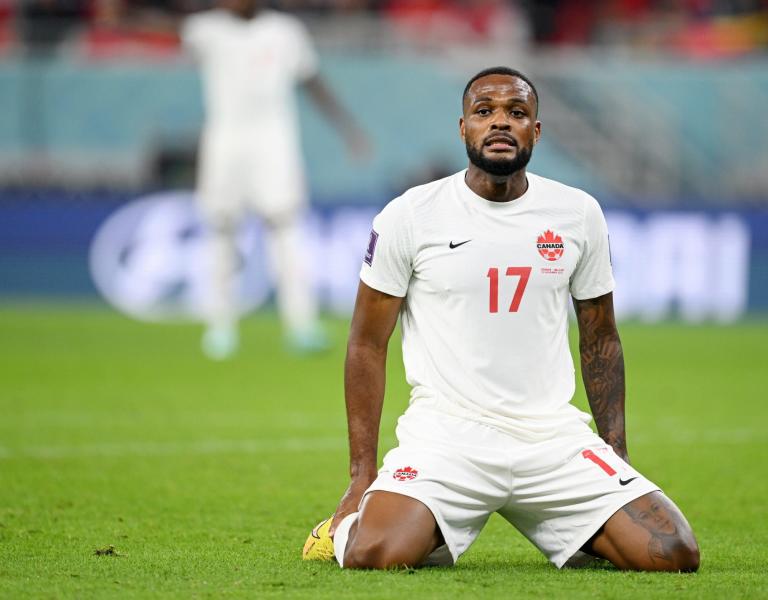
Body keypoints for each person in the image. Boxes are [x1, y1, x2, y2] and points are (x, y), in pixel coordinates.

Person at [303, 67, 700, 571]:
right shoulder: (411, 215)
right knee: (374, 553)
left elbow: (600, 337)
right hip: (446, 440)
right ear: (463, 127)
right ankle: (376, 530)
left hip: (554, 440)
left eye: (517, 113)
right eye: (484, 111)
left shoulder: (578, 214)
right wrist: (360, 478)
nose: (499, 123)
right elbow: (365, 344)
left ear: (536, 131)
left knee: (674, 553)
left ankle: (573, 530)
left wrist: (615, 451)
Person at [181, 0, 369, 359]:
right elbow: (160, 29)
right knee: (221, 230)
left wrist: (347, 128)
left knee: (286, 230)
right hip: (224, 143)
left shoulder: (285, 31)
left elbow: (311, 80)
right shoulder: (204, 30)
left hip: (274, 144)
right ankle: (220, 328)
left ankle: (301, 326)